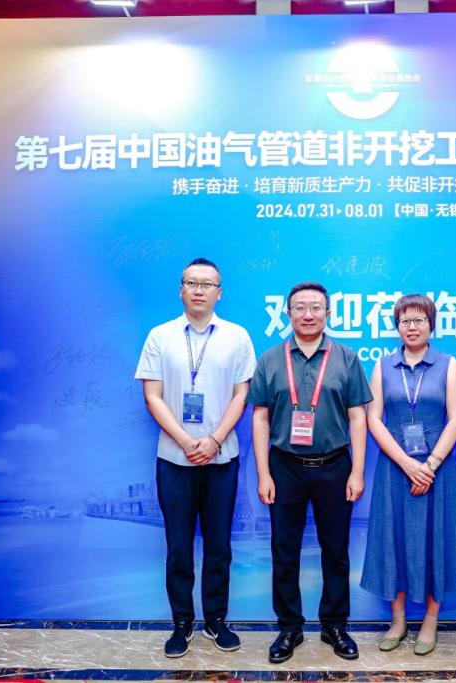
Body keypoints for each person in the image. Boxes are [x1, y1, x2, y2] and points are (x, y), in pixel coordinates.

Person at [134, 258, 256, 657]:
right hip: (174, 458)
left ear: (220, 293)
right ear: (181, 289)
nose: (199, 290)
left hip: (222, 459)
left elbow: (241, 395)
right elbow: (152, 396)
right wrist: (187, 440)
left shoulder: (237, 336)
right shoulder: (160, 336)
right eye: (191, 282)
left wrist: (214, 440)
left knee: (219, 545)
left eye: (207, 284)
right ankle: (182, 623)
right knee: (178, 546)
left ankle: (215, 620)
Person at [247, 281, 373, 664]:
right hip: (284, 467)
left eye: (316, 307)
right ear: (288, 313)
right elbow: (260, 417)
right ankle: (289, 627)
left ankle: (335, 625)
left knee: (336, 551)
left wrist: (357, 472)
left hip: (335, 466)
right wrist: (264, 474)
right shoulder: (271, 359)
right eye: (300, 307)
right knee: (284, 550)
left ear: (328, 313)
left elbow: (358, 417)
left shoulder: (346, 357)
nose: (308, 314)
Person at [360, 294, 456, 656]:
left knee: (436, 538)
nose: (412, 327)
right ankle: (398, 620)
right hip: (395, 470)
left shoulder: (448, 364)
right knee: (393, 540)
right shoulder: (383, 366)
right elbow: (374, 419)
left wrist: (430, 465)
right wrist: (407, 464)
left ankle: (431, 622)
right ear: (397, 326)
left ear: (431, 324)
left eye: (419, 320)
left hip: (438, 470)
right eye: (405, 320)